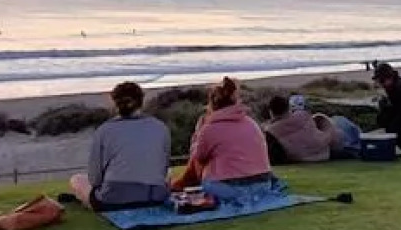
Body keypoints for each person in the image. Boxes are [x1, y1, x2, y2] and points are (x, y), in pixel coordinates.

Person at [69, 81, 172, 210]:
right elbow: (163, 168)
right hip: (154, 197)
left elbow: (95, 179)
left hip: (113, 200)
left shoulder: (104, 130)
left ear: (114, 103)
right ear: (141, 101)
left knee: (76, 180)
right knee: (167, 176)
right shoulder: (160, 127)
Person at [176, 77, 277, 199]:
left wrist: (197, 135)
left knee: (206, 176)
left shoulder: (209, 129)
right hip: (263, 185)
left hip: (230, 189)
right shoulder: (251, 123)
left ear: (212, 104)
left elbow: (198, 158)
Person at [263, 94, 330, 164]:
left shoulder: (272, 131)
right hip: (325, 153)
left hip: (307, 158)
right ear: (288, 108)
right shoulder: (303, 116)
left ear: (270, 111)